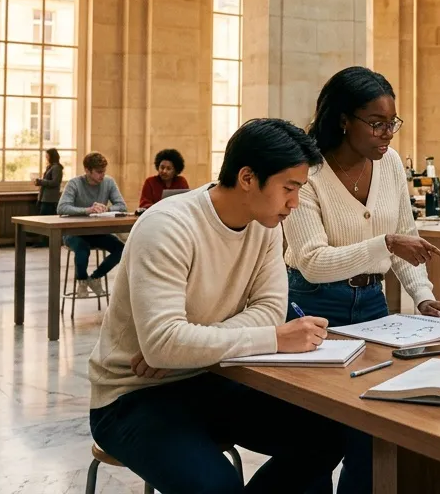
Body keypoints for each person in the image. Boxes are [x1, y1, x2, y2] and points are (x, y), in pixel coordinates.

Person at [88, 118, 346, 494]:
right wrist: (273, 339)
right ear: (247, 177)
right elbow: (163, 343)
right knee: (217, 486)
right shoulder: (167, 226)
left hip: (212, 378)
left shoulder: (267, 226)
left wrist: (187, 348)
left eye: (300, 189)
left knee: (326, 435)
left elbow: (269, 309)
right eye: (289, 188)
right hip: (132, 395)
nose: (295, 202)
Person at [284, 67, 440, 494]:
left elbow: (404, 243)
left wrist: (423, 296)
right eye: (377, 123)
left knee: (375, 430)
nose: (387, 134)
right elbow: (312, 261)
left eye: (392, 123)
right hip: (313, 306)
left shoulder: (388, 169)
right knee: (314, 437)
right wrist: (384, 243)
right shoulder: (305, 173)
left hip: (373, 304)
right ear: (344, 119)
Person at [57, 152, 127, 298]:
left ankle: (95, 278)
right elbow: (62, 207)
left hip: (97, 231)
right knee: (82, 248)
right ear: (87, 170)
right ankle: (82, 282)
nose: (102, 175)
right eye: (99, 172)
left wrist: (107, 208)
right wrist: (88, 210)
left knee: (121, 249)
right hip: (74, 232)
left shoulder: (109, 182)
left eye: (104, 172)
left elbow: (122, 206)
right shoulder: (74, 183)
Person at [34, 148, 63, 216]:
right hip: (44, 198)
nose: (46, 158)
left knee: (45, 218)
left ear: (52, 157)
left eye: (47, 156)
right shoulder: (50, 167)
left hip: (50, 199)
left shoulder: (56, 168)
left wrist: (41, 182)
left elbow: (55, 182)